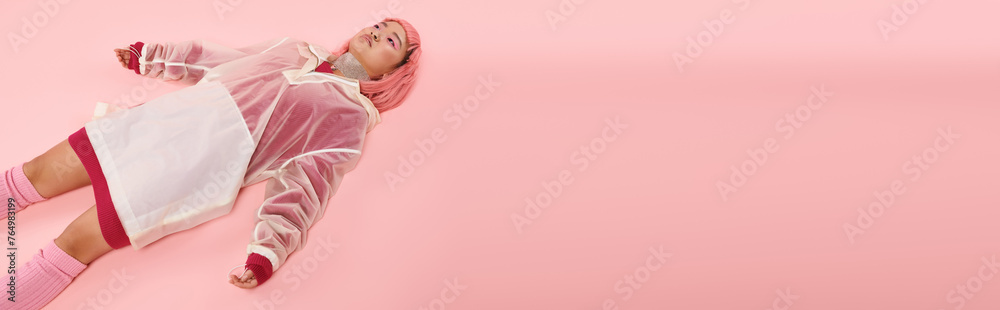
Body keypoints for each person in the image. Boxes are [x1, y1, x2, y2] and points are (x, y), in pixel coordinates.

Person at [0, 17, 422, 309]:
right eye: (380, 25)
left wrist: (267, 253)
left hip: (190, 173)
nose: (377, 32)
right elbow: (220, 60)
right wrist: (151, 57)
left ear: (395, 71)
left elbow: (306, 186)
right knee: (34, 173)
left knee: (74, 242)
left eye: (391, 41)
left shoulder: (347, 118)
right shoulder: (295, 49)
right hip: (156, 123)